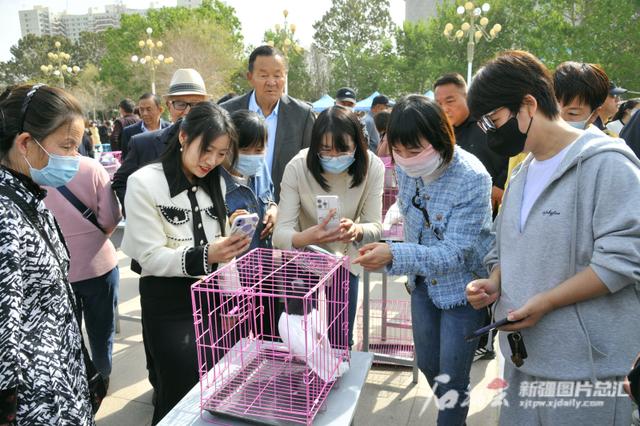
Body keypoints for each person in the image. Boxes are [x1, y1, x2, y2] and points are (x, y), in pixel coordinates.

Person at [465, 50, 640, 426]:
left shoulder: (608, 164)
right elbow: (504, 247)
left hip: (585, 371)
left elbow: (624, 259)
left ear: (528, 104)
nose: (490, 133)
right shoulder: (523, 172)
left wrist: (546, 302)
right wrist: (493, 282)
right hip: (522, 360)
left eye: (494, 120)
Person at [353, 95, 493, 426]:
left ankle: (452, 415)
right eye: (397, 152)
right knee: (430, 364)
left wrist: (395, 253)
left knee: (453, 377)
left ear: (440, 138)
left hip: (463, 291)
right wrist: (385, 243)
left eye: (414, 151)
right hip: (423, 285)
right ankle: (452, 405)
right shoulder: (408, 171)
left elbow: (455, 253)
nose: (405, 160)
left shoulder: (472, 176)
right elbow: (410, 220)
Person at [121, 101, 250, 424]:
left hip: (213, 299)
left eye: (221, 154)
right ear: (182, 136)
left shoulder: (217, 182)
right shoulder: (144, 182)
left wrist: (233, 300)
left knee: (216, 386)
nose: (212, 161)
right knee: (178, 389)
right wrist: (208, 254)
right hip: (168, 303)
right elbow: (148, 256)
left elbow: (223, 251)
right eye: (206, 150)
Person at [0, 84, 93, 424]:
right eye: (67, 146)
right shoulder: (5, 216)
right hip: (35, 404)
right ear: (25, 143)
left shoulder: (30, 200)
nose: (74, 158)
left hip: (59, 381)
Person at [273, 105, 384, 347]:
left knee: (340, 338)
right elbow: (280, 234)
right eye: (325, 150)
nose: (334, 157)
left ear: (357, 143)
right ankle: (305, 382)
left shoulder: (373, 167)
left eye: (342, 150)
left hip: (346, 259)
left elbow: (375, 226)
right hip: (302, 258)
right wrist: (308, 237)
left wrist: (357, 230)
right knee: (299, 337)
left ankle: (339, 376)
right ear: (314, 147)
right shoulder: (297, 167)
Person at [43, 154, 122, 392]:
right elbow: (110, 217)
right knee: (102, 330)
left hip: (55, 270)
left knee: (65, 333)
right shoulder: (90, 166)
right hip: (98, 264)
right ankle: (101, 377)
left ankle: (74, 382)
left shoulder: (29, 171)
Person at [221, 45, 315, 202]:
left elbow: (308, 165)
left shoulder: (302, 115)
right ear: (250, 77)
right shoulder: (226, 112)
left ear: (285, 77)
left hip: (287, 208)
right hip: (233, 206)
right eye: (264, 76)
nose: (271, 82)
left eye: (278, 76)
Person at [112, 69, 210, 208]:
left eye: (195, 105)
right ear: (169, 106)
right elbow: (121, 182)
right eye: (180, 104)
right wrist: (138, 214)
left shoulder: (215, 146)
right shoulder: (142, 143)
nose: (188, 111)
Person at [434, 72, 508, 215]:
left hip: (495, 205)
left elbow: (514, 153)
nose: (444, 108)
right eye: (439, 103)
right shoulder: (441, 133)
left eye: (450, 101)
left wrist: (501, 184)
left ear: (466, 97)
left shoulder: (488, 121)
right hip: (459, 208)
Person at [224, 110, 277, 250]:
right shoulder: (214, 182)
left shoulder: (261, 166)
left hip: (264, 262)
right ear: (228, 146)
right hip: (235, 265)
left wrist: (273, 209)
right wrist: (227, 224)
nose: (252, 156)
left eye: (259, 150)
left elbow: (270, 196)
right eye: (245, 150)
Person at [552, 61, 610, 131]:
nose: (559, 119)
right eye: (553, 110)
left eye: (572, 113)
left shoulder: (605, 141)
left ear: (594, 115)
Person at [121, 93, 169, 159]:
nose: (145, 113)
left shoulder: (170, 130)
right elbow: (126, 161)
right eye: (141, 109)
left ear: (160, 110)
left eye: (149, 109)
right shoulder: (129, 132)